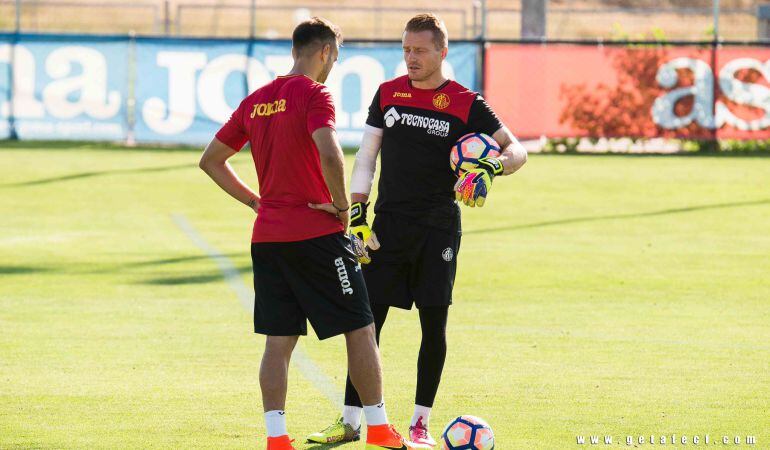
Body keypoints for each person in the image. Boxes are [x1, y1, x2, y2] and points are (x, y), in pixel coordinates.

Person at [199, 17, 429, 450]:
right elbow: (330, 150)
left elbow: (211, 160)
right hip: (315, 235)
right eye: (335, 58)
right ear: (324, 51)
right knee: (360, 328)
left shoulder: (256, 101)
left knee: (278, 341)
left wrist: (255, 202)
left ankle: (276, 438)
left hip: (267, 238)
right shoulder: (314, 93)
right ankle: (378, 428)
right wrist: (342, 208)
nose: (332, 67)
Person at [307, 13, 527, 447]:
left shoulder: (467, 102)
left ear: (442, 52)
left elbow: (517, 151)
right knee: (365, 324)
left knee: (434, 325)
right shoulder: (388, 93)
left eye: (420, 51)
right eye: (406, 49)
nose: (411, 58)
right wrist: (358, 212)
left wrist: (491, 167)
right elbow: (367, 156)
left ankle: (420, 424)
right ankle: (352, 420)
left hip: (438, 229)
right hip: (385, 228)